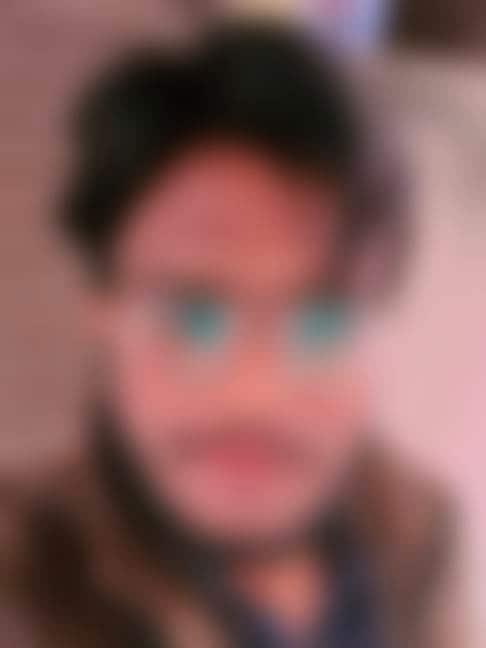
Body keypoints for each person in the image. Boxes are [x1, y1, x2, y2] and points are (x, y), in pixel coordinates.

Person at [0, 21, 457, 648]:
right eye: (195, 318)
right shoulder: (22, 571)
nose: (255, 391)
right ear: (103, 310)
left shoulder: (420, 528)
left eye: (320, 323)